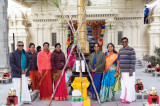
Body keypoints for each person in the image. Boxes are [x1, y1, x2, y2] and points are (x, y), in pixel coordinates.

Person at [119, 37, 136, 103]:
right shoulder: (120, 50)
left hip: (129, 72)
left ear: (128, 42)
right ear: (121, 43)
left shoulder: (131, 49)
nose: (124, 43)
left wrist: (131, 70)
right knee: (124, 86)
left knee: (130, 85)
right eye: (123, 42)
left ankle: (129, 99)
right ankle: (124, 98)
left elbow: (133, 60)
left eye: (125, 42)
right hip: (123, 72)